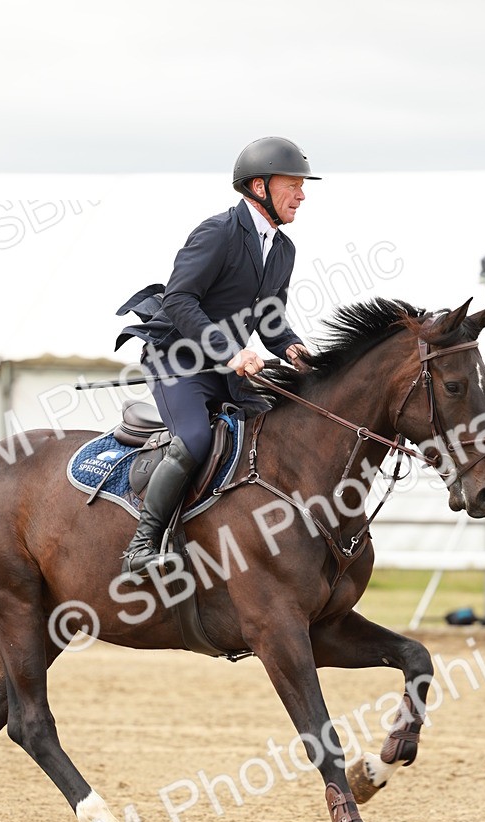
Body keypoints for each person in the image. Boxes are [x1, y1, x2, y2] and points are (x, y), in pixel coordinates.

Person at [114, 135, 320, 577]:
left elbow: (270, 319)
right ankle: (142, 545)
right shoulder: (218, 232)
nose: (302, 195)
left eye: (304, 186)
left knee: (282, 431)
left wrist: (293, 348)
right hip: (179, 363)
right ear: (260, 187)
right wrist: (230, 352)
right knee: (195, 440)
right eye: (293, 185)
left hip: (229, 372)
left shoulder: (283, 249)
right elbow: (179, 300)